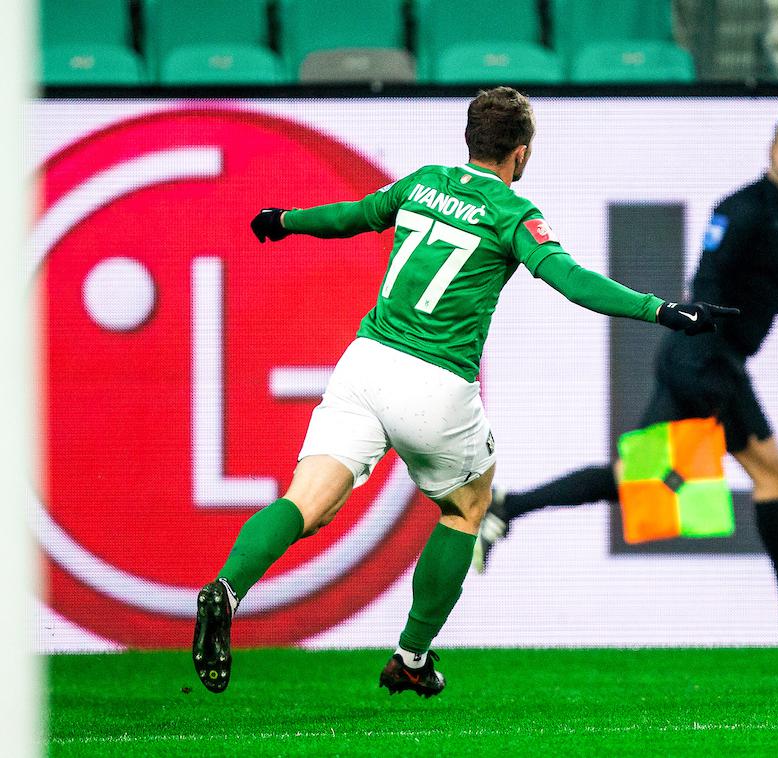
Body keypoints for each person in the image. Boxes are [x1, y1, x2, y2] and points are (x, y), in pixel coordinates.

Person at [191, 86, 737, 697]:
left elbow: (349, 217)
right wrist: (662, 310)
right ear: (521, 153)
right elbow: (572, 281)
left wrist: (284, 220)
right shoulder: (513, 213)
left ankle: (227, 589)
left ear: (470, 139)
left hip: (365, 364)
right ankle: (412, 657)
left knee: (307, 502)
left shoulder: (420, 183)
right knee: (466, 507)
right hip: (436, 383)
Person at [474, 111, 778, 644]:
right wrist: (708, 355)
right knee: (773, 474)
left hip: (708, 364)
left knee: (634, 479)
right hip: (706, 362)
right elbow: (706, 276)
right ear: (773, 151)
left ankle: (507, 506)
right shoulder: (743, 209)